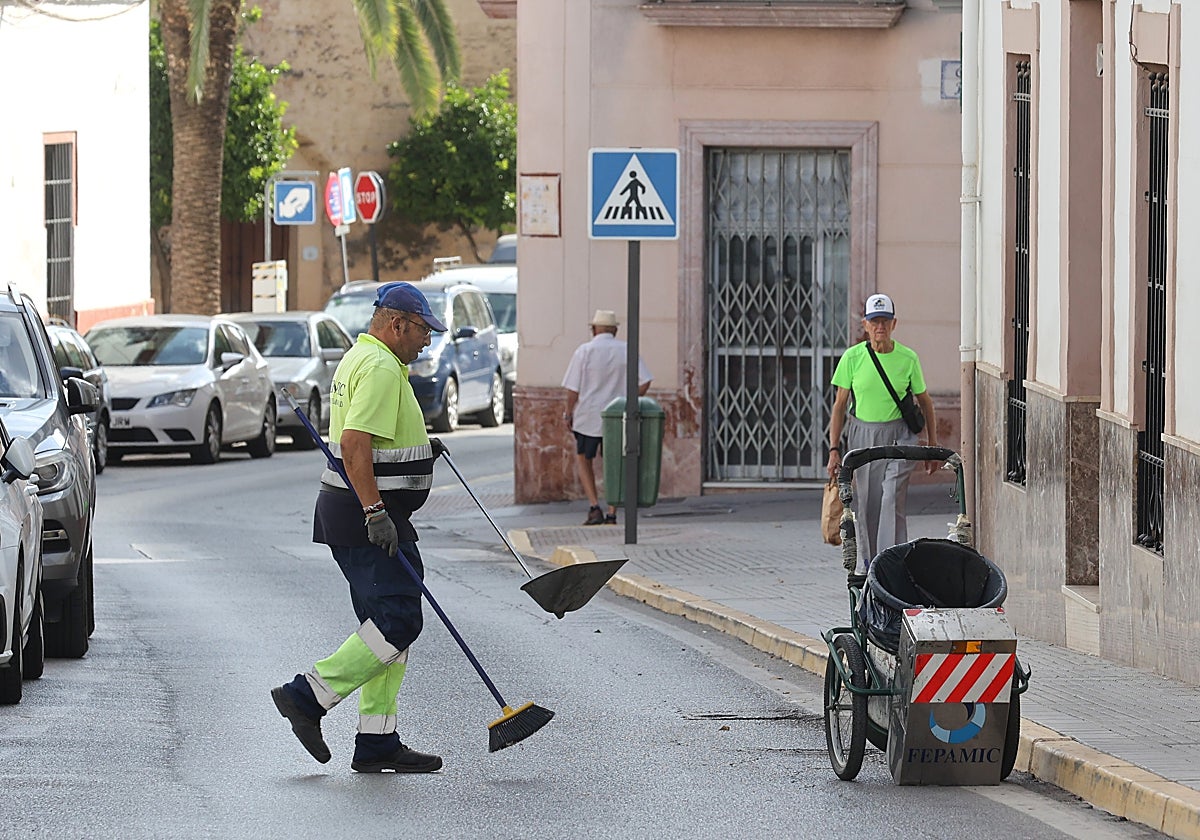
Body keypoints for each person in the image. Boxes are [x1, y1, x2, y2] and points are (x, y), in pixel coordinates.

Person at [271, 281, 449, 774]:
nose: (426, 341)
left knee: (385, 628)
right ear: (397, 324)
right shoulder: (378, 367)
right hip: (368, 518)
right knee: (398, 622)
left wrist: (420, 448)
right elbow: (354, 443)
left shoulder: (363, 357)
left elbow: (376, 438)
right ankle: (306, 696)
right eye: (422, 331)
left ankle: (377, 743)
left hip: (371, 513)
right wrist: (375, 514)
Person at [826, 293, 938, 573]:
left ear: (894, 324)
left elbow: (925, 402)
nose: (880, 327)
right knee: (867, 507)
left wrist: (932, 447)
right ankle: (870, 566)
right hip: (863, 435)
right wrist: (834, 449)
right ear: (865, 324)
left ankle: (893, 564)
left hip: (901, 437)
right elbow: (839, 406)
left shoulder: (907, 358)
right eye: (875, 321)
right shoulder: (852, 358)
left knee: (891, 497)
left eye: (885, 321)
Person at [561, 309, 653, 525]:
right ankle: (612, 511)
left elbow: (572, 389)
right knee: (615, 463)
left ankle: (594, 506)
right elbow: (645, 380)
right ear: (615, 330)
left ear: (594, 329)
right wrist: (628, 401)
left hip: (588, 416)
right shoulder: (627, 350)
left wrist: (568, 412)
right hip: (618, 417)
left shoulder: (583, 351)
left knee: (584, 459)